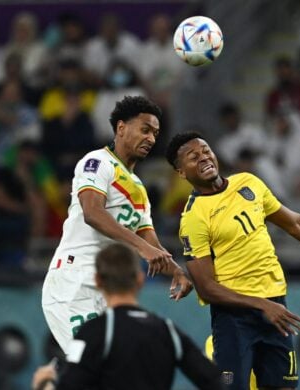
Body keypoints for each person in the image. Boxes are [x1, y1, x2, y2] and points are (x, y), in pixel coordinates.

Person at [165, 132, 300, 390]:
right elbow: (206, 287)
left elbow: (295, 224)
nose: (203, 158)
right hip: (235, 319)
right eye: (193, 157)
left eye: (205, 150)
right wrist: (261, 305)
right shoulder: (193, 218)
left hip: (275, 307)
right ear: (181, 172)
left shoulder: (248, 183)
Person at [42, 96, 192, 353]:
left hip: (105, 289)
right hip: (73, 281)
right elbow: (92, 212)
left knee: (108, 370)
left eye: (155, 133)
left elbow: (150, 243)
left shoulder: (139, 189)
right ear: (121, 128)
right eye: (145, 130)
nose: (151, 139)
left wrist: (178, 271)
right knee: (95, 365)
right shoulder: (97, 162)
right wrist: (142, 249)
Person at [33, 242, 223, 390]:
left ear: (98, 281)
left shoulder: (94, 332)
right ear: (140, 280)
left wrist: (46, 382)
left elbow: (70, 385)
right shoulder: (168, 331)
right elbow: (213, 380)